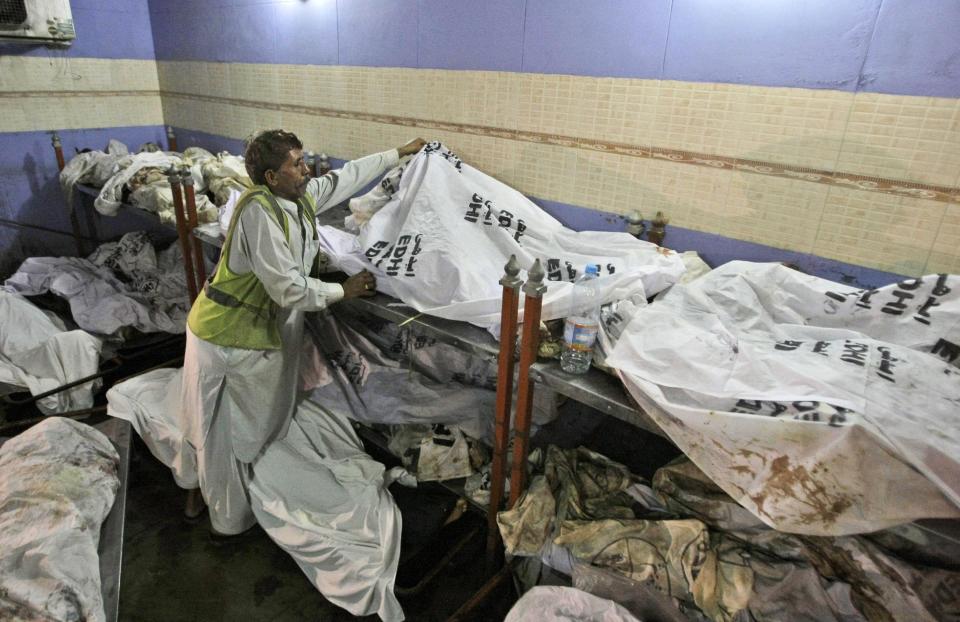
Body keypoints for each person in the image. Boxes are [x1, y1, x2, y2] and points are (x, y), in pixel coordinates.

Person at [177, 129, 427, 536]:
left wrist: (399, 153)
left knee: (237, 426)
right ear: (272, 177)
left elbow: (346, 177)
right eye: (297, 163)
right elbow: (286, 288)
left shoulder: (299, 198)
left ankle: (230, 497)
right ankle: (223, 515)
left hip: (250, 335)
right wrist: (341, 290)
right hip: (225, 338)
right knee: (220, 430)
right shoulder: (259, 212)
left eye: (303, 159)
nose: (307, 169)